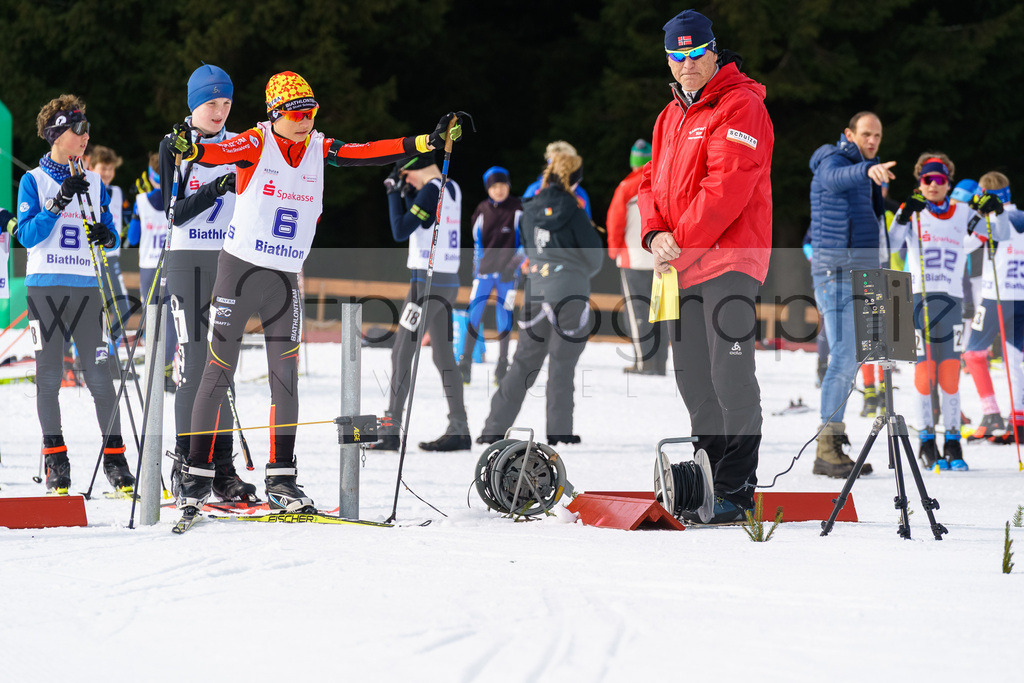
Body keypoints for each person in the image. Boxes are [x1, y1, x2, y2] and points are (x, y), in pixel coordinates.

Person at [165, 70, 463, 513]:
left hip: (285, 278)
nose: (306, 120)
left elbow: (367, 152)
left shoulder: (320, 147)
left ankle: (282, 476)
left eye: (312, 111)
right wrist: (192, 148)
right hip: (240, 269)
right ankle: (195, 473)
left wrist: (425, 142)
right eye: (297, 113)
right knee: (218, 369)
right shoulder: (254, 141)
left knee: (285, 378)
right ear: (275, 114)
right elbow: (214, 152)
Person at [640, 9, 773, 524]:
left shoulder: (740, 106)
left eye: (697, 54)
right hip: (679, 267)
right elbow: (649, 183)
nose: (688, 64)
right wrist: (654, 234)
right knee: (692, 378)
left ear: (715, 51)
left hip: (729, 262)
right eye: (678, 55)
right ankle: (710, 474)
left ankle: (738, 487)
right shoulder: (669, 116)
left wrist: (678, 245)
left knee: (730, 372)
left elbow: (726, 191)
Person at [15, 94, 134, 494]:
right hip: (45, 289)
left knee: (100, 375)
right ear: (55, 135)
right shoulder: (34, 179)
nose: (85, 136)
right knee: (48, 377)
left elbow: (111, 235)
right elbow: (28, 236)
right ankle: (56, 461)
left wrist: (108, 234)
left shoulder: (96, 181)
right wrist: (59, 200)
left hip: (85, 289)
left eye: (87, 129)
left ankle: (116, 462)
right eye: (77, 129)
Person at [159, 63, 256, 502]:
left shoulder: (241, 144)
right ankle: (186, 464)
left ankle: (221, 467)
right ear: (194, 104)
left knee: (225, 367)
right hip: (186, 261)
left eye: (226, 103)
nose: (219, 111)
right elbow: (172, 209)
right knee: (196, 365)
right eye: (211, 103)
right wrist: (218, 186)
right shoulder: (176, 143)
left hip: (228, 261)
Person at [478, 149, 603, 445]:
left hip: (535, 291)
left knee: (523, 364)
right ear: (573, 179)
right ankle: (559, 432)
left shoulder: (529, 206)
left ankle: (493, 428)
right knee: (562, 364)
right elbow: (595, 258)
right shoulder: (574, 210)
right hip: (569, 293)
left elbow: (528, 244)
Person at [808, 110, 896, 478]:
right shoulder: (835, 158)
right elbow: (832, 178)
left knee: (853, 357)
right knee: (843, 355)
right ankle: (827, 446)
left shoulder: (869, 171)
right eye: (865, 134)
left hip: (861, 274)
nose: (872, 140)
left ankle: (834, 440)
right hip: (835, 273)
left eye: (877, 135)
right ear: (849, 134)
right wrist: (865, 170)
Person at [370, 152, 471, 452]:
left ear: (414, 168)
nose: (407, 183)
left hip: (425, 283)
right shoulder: (451, 187)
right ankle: (459, 427)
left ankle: (391, 431)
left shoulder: (430, 190)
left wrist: (392, 195)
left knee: (401, 353)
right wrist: (408, 195)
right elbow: (422, 221)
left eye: (406, 177)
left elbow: (400, 230)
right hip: (446, 281)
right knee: (442, 356)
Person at [887, 153, 982, 470]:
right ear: (919, 182)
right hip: (918, 300)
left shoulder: (963, 211)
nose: (933, 185)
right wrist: (902, 217)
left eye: (939, 179)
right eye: (927, 179)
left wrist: (993, 214)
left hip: (951, 302)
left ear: (948, 183)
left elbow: (995, 237)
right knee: (924, 373)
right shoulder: (911, 211)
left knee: (950, 374)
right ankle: (927, 441)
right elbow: (889, 245)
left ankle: (953, 441)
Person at [963, 172, 1024, 444]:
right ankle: (1019, 420)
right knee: (1012, 360)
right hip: (1021, 297)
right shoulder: (1020, 215)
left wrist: (975, 213)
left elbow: (964, 245)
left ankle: (991, 415)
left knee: (974, 355)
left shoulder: (991, 219)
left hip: (996, 297)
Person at [607, 138, 668, 375]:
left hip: (633, 259)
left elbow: (615, 221)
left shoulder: (626, 186)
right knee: (660, 312)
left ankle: (644, 364)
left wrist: (614, 250)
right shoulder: (663, 182)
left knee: (637, 312)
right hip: (661, 258)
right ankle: (660, 363)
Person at [458, 165, 523, 386]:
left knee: (504, 317)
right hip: (484, 273)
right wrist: (477, 271)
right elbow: (477, 243)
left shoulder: (517, 209)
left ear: (508, 186)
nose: (499, 190)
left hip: (508, 274)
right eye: (494, 186)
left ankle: (502, 366)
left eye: (502, 185)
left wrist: (513, 266)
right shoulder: (482, 209)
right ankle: (465, 364)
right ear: (488, 189)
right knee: (474, 314)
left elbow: (525, 244)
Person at [127, 152, 176, 391]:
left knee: (153, 320)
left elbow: (133, 237)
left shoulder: (141, 200)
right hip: (172, 265)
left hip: (149, 267)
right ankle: (165, 370)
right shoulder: (178, 197)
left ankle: (154, 371)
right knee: (173, 321)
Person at [86, 145, 132, 343]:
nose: (107, 173)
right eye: (102, 168)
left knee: (124, 310)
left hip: (111, 259)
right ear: (92, 167)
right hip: (90, 261)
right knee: (89, 311)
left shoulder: (118, 192)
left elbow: (123, 220)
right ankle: (77, 355)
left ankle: (111, 347)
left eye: (110, 169)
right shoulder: (87, 190)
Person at [523, 141, 592, 218]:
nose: (558, 167)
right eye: (553, 162)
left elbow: (587, 222)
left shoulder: (580, 194)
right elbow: (524, 221)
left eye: (565, 163)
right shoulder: (535, 190)